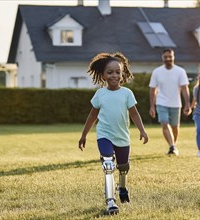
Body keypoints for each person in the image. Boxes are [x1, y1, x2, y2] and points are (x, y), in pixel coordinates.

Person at [78, 52, 149, 215]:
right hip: (104, 135)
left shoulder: (127, 94)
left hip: (122, 137)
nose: (114, 75)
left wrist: (142, 130)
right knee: (108, 165)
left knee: (123, 167)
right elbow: (92, 115)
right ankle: (110, 201)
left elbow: (134, 114)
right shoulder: (100, 94)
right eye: (110, 72)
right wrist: (84, 135)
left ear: (122, 73)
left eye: (118, 72)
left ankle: (122, 188)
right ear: (103, 75)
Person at [149, 48, 191, 156]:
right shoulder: (157, 72)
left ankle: (173, 146)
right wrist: (152, 106)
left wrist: (187, 104)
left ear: (173, 57)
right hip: (161, 102)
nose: (168, 59)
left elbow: (184, 88)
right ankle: (172, 146)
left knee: (175, 127)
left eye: (170, 56)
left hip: (176, 104)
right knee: (164, 123)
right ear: (162, 58)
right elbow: (153, 90)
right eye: (165, 57)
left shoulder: (180, 71)